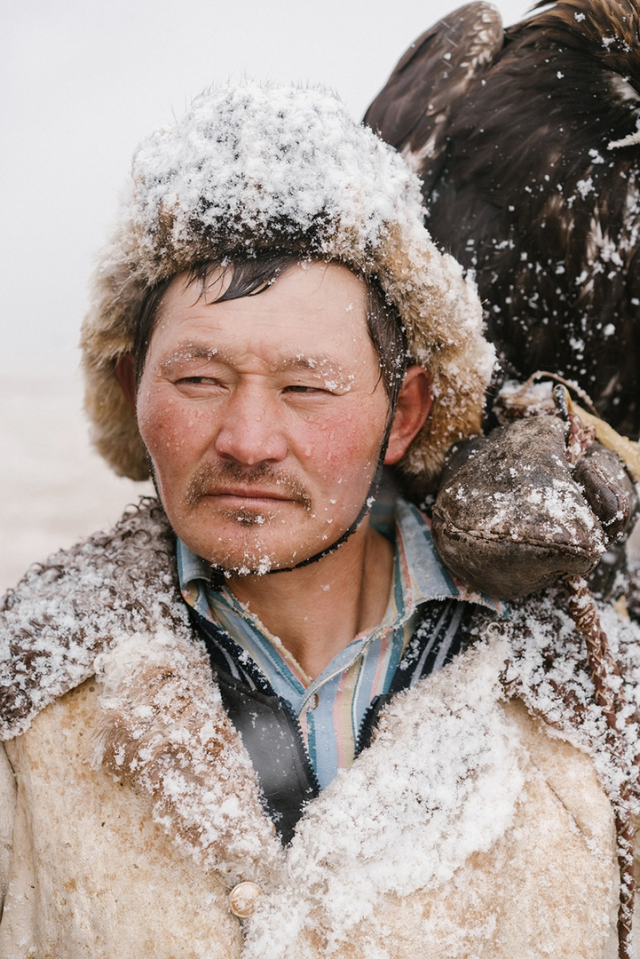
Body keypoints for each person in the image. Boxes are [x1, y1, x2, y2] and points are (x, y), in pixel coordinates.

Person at [0, 81, 639, 959]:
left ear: (406, 413)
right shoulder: (23, 691)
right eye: (198, 380)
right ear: (128, 388)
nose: (249, 440)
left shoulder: (601, 695)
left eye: (307, 387)